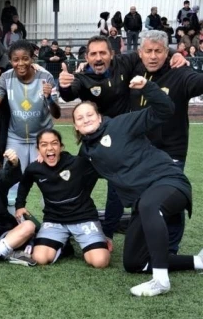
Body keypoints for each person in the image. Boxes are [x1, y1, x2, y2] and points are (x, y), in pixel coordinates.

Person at [73, 76, 203, 296]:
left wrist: (148, 87)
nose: (86, 119)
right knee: (134, 262)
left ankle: (160, 280)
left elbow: (165, 110)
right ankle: (198, 262)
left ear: (99, 116)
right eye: (80, 118)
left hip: (168, 181)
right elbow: (75, 180)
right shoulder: (87, 153)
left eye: (90, 114)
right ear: (76, 126)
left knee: (149, 206)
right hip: (142, 203)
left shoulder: (122, 123)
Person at [129, 30, 203, 253]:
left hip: (170, 153)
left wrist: (180, 56)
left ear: (166, 53)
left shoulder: (179, 72)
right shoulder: (134, 69)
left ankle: (170, 250)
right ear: (140, 52)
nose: (153, 56)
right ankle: (144, 244)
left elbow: (197, 82)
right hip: (140, 151)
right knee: (141, 199)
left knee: (170, 200)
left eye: (158, 51)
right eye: (148, 51)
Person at [0, 40, 60, 206]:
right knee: (10, 184)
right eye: (16, 60)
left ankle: (54, 219)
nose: (21, 63)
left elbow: (56, 114)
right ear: (10, 61)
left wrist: (49, 98)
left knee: (50, 184)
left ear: (32, 59)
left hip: (42, 140)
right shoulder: (6, 78)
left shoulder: (45, 77)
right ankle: (11, 218)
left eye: (25, 58)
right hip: (15, 139)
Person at [15, 129, 110, 268]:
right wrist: (19, 205)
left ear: (61, 147)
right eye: (44, 145)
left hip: (84, 218)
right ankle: (64, 246)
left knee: (100, 261)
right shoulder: (34, 169)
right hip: (55, 220)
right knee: (39, 258)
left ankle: (94, 242)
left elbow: (102, 169)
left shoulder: (77, 163)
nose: (49, 148)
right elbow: (24, 184)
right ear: (38, 150)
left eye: (54, 143)